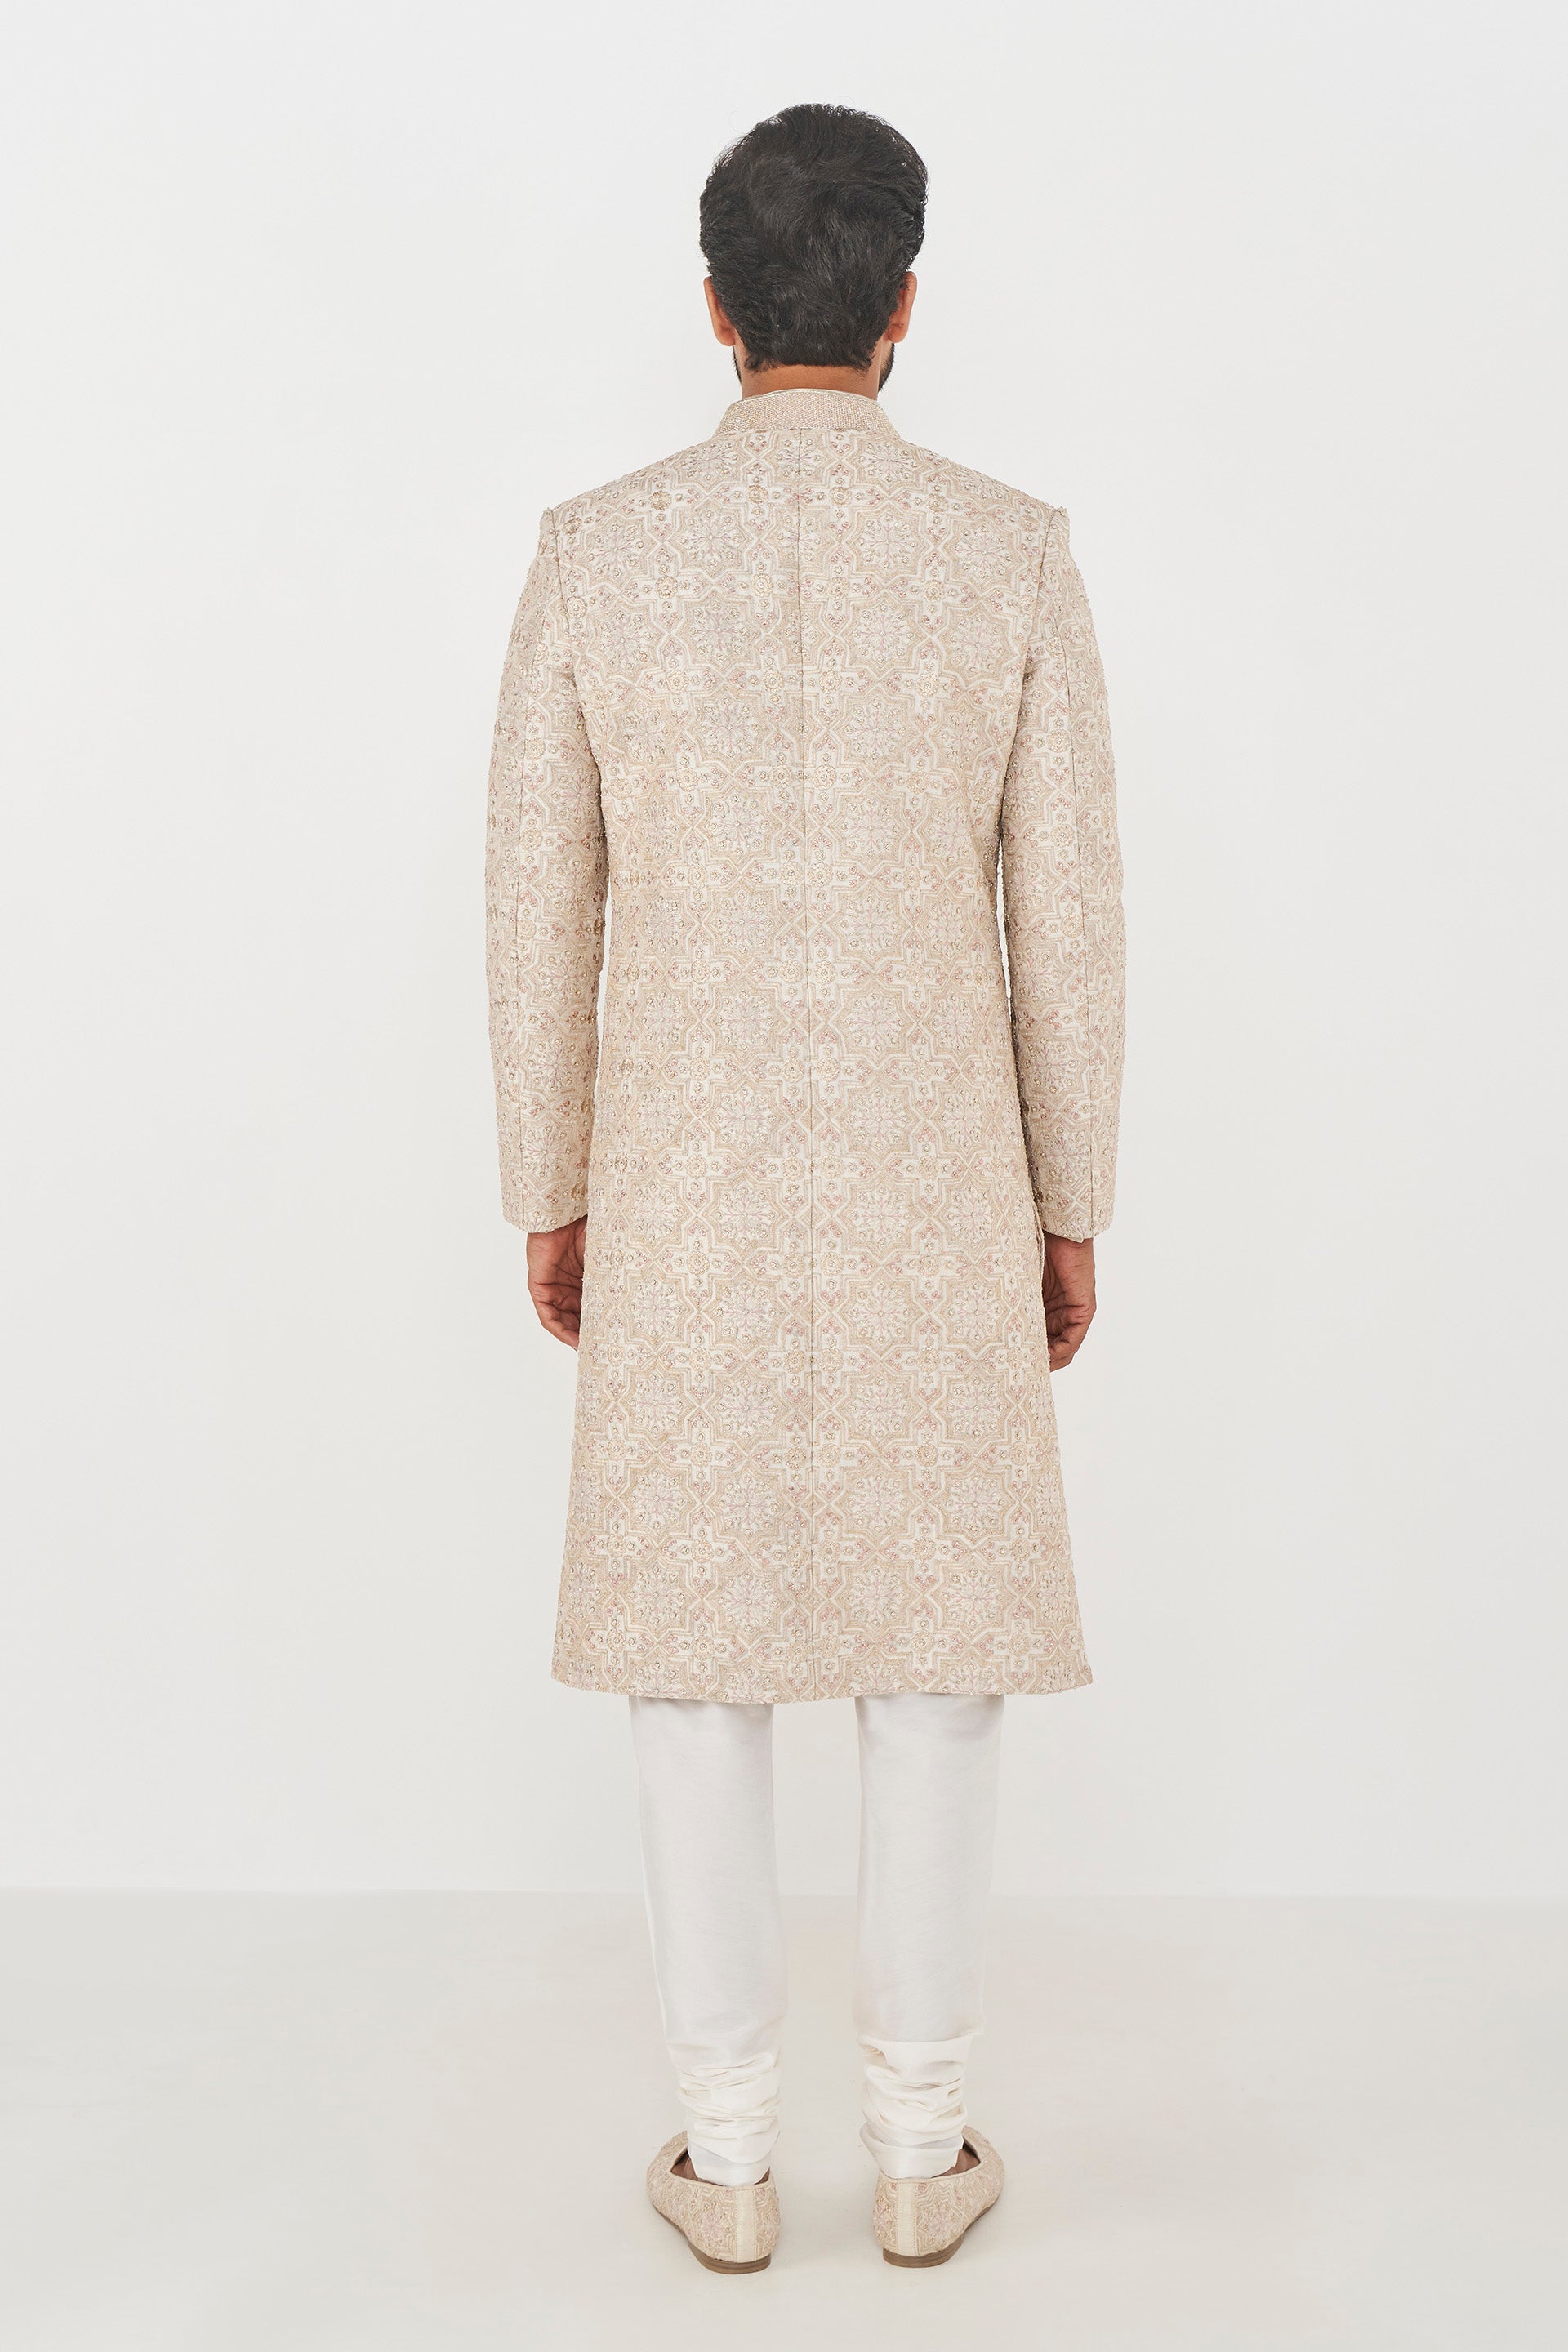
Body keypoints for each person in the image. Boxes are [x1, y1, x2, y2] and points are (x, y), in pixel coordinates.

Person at [486, 101, 1125, 2273]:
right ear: (905, 302)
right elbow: (1070, 919)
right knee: (937, 1658)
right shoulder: (1008, 552)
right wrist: (1071, 1194)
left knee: (697, 1657)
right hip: (939, 1175)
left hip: (681, 1174)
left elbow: (536, 904)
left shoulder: (597, 552)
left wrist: (549, 1179)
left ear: (717, 306)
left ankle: (730, 2155)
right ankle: (925, 2149)